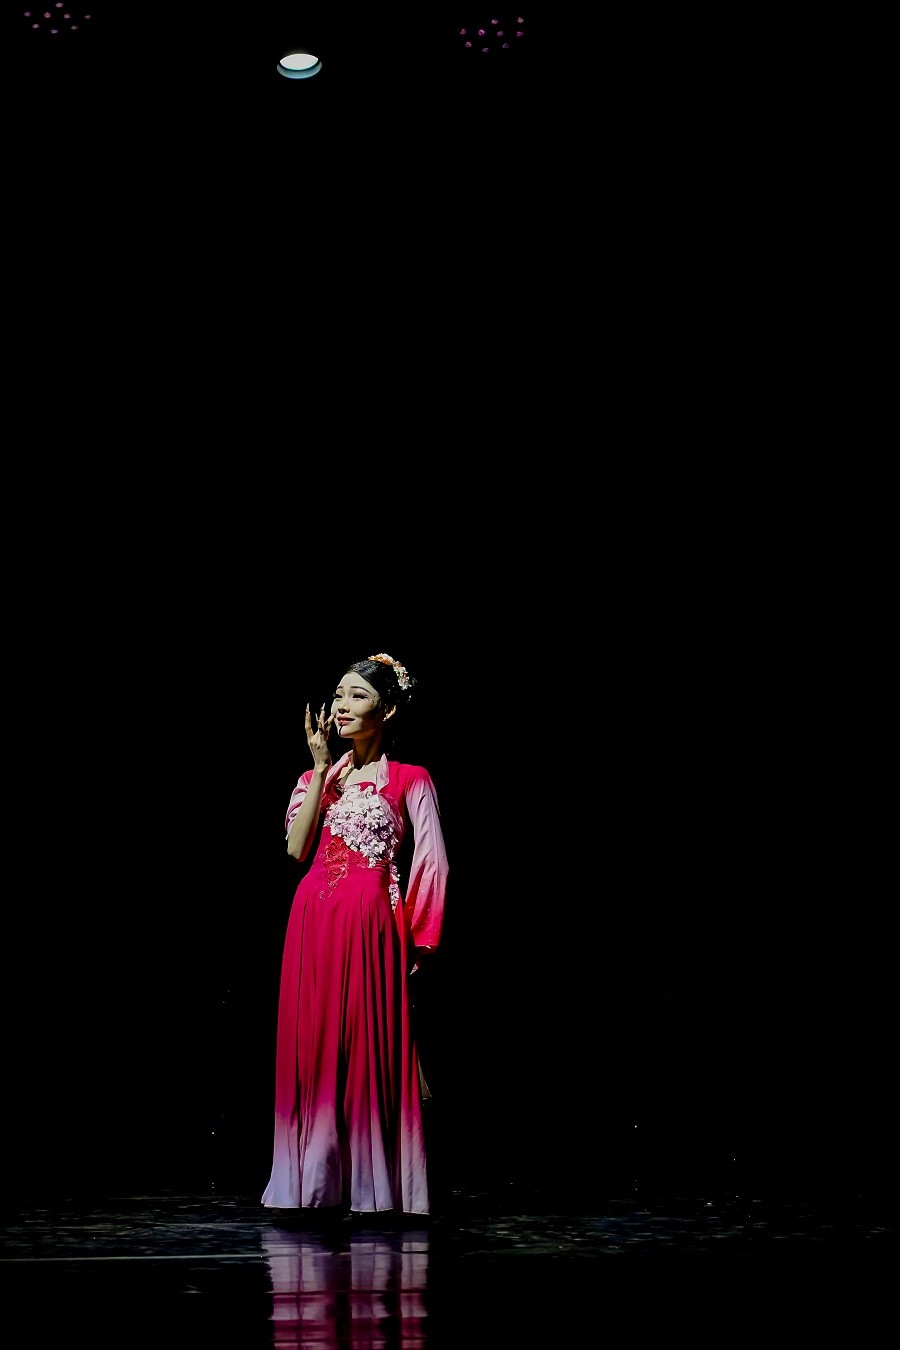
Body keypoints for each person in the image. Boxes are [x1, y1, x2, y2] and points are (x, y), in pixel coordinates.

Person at [261, 652, 449, 1218]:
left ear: (386, 710)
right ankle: (313, 1183)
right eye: (339, 694)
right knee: (313, 1046)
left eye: (357, 696)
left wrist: (420, 938)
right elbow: (296, 849)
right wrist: (320, 768)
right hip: (312, 921)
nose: (342, 706)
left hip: (371, 923)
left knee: (367, 1051)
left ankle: (371, 1188)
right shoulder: (316, 778)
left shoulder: (410, 779)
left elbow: (433, 862)